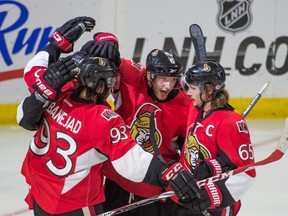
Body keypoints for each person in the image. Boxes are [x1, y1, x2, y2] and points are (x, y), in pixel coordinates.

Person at [16, 35, 204, 215]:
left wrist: (56, 44)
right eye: (109, 83)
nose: (168, 86)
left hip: (42, 189)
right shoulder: (103, 119)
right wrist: (168, 172)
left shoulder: (58, 93)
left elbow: (31, 84)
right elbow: (131, 160)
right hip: (77, 198)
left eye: (172, 80)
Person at [80, 34, 195, 215]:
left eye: (172, 80)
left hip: (153, 183)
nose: (167, 86)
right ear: (149, 74)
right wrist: (108, 39)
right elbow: (105, 53)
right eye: (162, 79)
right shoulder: (132, 77)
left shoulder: (186, 105)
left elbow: (190, 148)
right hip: (118, 174)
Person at [172, 60, 256, 215]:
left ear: (209, 90)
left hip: (213, 206)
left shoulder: (230, 122)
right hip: (187, 197)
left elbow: (246, 173)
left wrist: (212, 195)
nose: (188, 92)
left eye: (192, 88)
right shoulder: (195, 107)